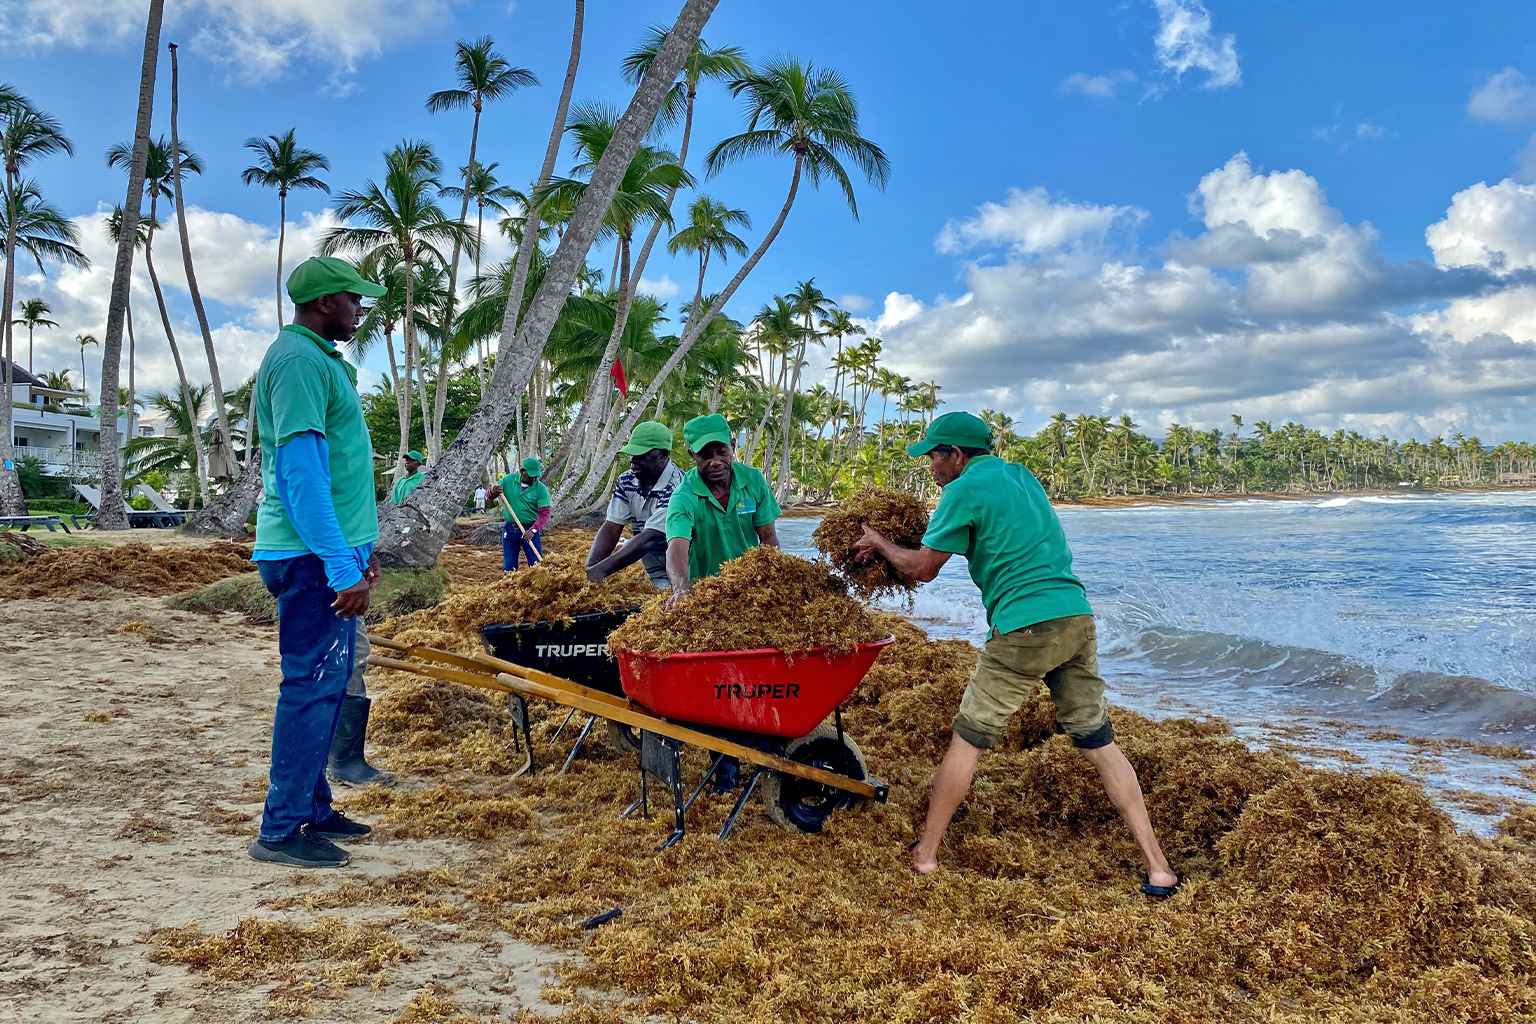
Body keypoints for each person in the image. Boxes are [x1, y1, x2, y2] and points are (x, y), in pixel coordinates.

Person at [852, 410, 1179, 897]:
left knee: (969, 739)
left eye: (935, 459)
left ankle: (925, 855)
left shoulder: (961, 490)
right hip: (1075, 616)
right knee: (1099, 741)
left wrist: (878, 542)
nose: (932, 470)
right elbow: (1001, 537)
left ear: (957, 455)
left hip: (1024, 627)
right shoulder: (1021, 476)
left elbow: (923, 569)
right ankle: (1159, 868)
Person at [248, 256, 387, 869]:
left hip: (324, 550)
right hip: (307, 556)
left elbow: (338, 475)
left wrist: (359, 551)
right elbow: (300, 476)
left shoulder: (317, 360)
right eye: (355, 300)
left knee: (327, 687)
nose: (360, 310)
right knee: (308, 689)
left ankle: (314, 806)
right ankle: (280, 830)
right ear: (327, 301)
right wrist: (338, 565)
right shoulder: (301, 362)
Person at [664, 413, 781, 601]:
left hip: (749, 588)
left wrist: (769, 577)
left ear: (732, 446)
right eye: (705, 456)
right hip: (704, 592)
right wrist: (680, 588)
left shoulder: (754, 481)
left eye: (722, 451)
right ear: (692, 455)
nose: (716, 461)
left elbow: (768, 536)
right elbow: (677, 547)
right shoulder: (683, 497)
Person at [586, 420, 683, 586]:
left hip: (685, 572)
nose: (633, 461)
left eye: (642, 455)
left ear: (664, 455)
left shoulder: (679, 486)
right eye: (632, 454)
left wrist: (599, 571)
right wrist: (589, 570)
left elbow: (650, 538)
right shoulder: (627, 480)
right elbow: (611, 528)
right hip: (656, 572)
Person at [489, 457, 551, 571]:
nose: (533, 478)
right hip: (509, 529)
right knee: (509, 565)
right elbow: (489, 495)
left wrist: (533, 530)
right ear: (522, 471)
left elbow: (544, 514)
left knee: (536, 565)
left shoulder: (540, 489)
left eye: (535, 476)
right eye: (530, 475)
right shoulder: (508, 480)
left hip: (529, 529)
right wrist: (492, 491)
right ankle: (509, 585)